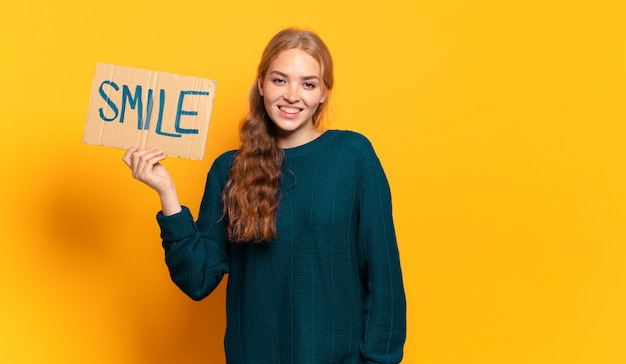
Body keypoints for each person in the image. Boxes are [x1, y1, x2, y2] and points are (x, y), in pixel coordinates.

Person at [123, 28, 406, 364]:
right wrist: (166, 192)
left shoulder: (353, 156)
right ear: (261, 85)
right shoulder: (228, 169)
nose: (292, 95)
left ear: (323, 94)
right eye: (279, 80)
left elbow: (383, 273)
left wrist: (379, 360)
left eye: (308, 84)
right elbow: (197, 279)